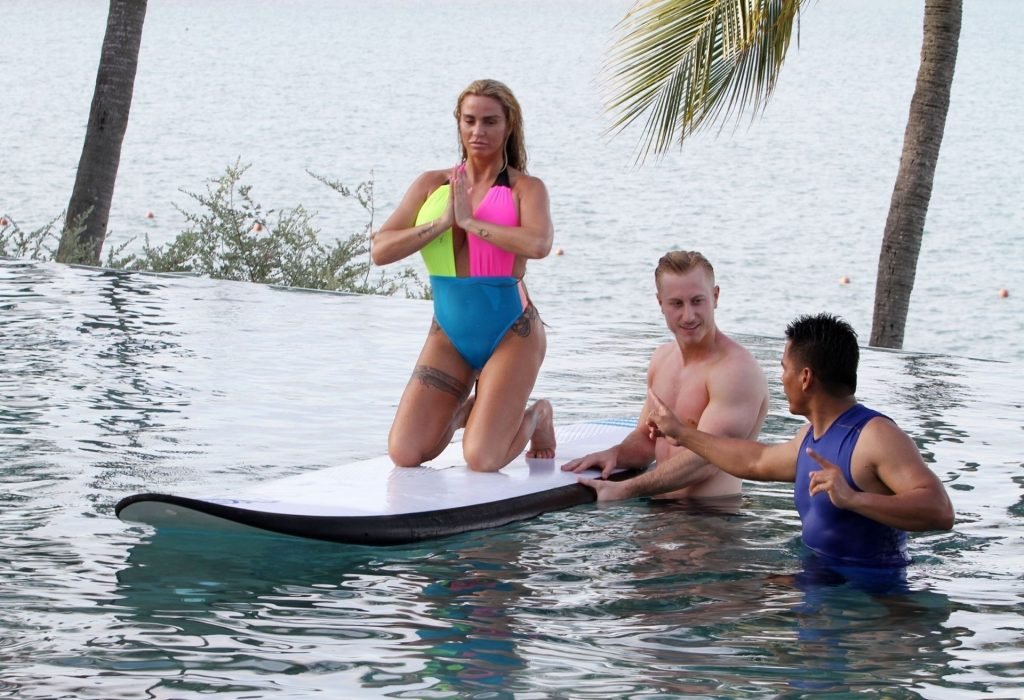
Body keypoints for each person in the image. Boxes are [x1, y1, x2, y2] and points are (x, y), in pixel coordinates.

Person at [645, 312, 955, 569]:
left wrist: (854, 499)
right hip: (819, 585)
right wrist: (681, 433)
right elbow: (754, 461)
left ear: (805, 378)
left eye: (784, 368)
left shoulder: (875, 436)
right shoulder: (810, 437)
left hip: (871, 603)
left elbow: (940, 510)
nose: (781, 379)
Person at [370, 79, 555, 472]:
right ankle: (465, 412)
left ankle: (538, 415)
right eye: (469, 120)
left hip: (512, 331)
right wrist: (440, 224)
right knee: (405, 452)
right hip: (449, 332)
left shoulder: (525, 188)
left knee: (483, 459)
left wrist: (471, 223)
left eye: (490, 121)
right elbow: (380, 250)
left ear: (508, 125)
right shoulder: (431, 185)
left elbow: (539, 244)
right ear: (458, 123)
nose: (478, 131)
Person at [561, 250, 769, 500]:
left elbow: (708, 460)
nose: (688, 315)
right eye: (677, 304)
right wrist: (615, 454)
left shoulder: (736, 371)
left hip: (710, 516)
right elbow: (647, 439)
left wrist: (627, 488)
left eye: (697, 301)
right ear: (661, 303)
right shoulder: (661, 360)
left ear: (715, 297)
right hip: (657, 511)